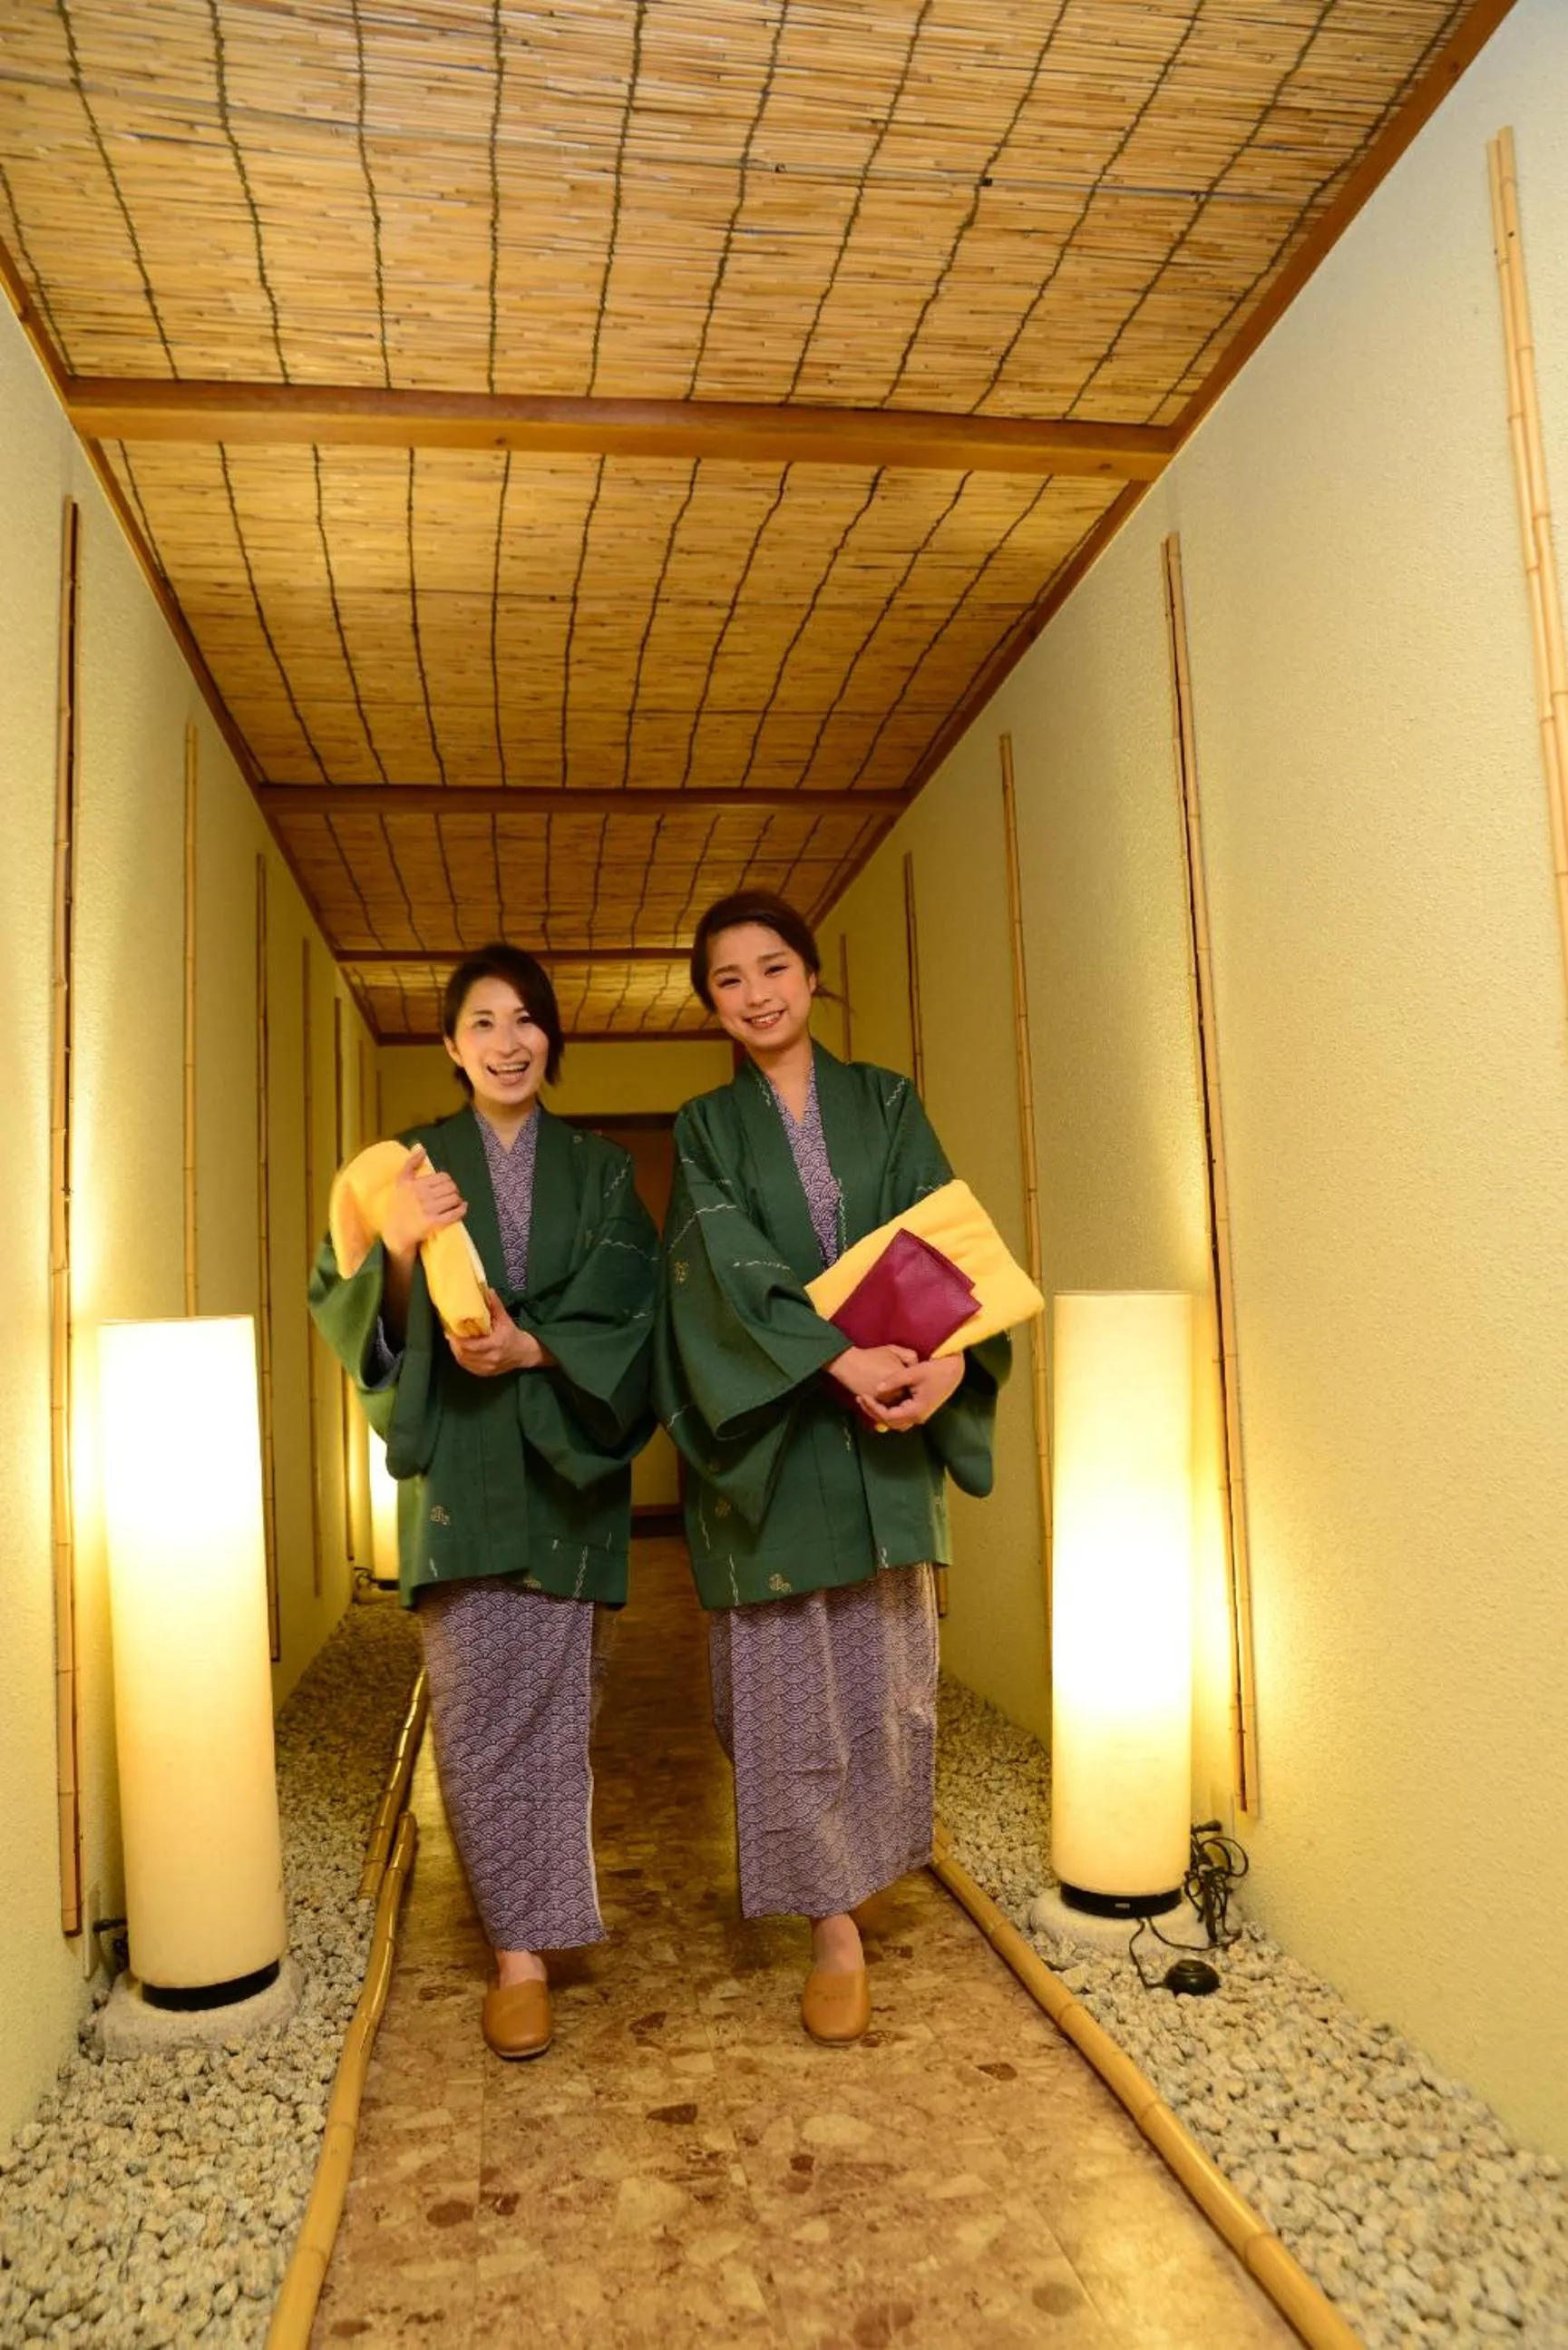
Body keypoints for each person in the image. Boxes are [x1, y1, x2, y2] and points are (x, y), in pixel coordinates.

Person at [654, 891, 1009, 2044]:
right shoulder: (707, 1128)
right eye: (727, 980)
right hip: (784, 1434)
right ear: (711, 1002)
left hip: (889, 1422)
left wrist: (947, 1365)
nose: (755, 993)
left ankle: (865, 1870)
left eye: (772, 968)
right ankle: (830, 1923)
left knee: (887, 1679)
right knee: (781, 1688)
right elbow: (721, 1264)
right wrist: (836, 1357)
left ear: (810, 975)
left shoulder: (885, 1102)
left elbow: (944, 1240)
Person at [309, 943, 657, 2061]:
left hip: (564, 1473)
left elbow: (630, 1303)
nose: (508, 1041)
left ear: (551, 1038)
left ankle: (534, 1930)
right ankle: (517, 1951)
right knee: (472, 1720)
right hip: (459, 1470)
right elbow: (352, 1300)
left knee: (558, 1724)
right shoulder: (406, 1167)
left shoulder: (601, 1172)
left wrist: (535, 1341)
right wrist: (402, 1251)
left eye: (526, 1020)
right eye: (483, 1022)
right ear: (451, 1046)